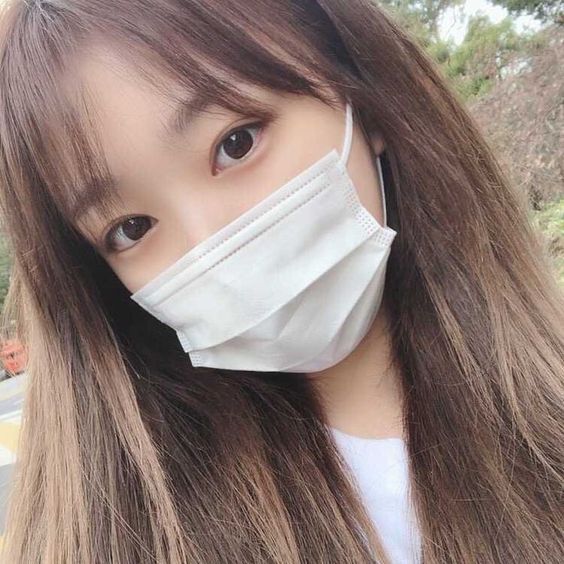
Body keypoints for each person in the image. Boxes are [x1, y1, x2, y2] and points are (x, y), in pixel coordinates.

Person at [0, 0, 561, 562]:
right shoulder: (134, 531)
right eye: (131, 228)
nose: (211, 244)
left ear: (360, 96)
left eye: (236, 143)